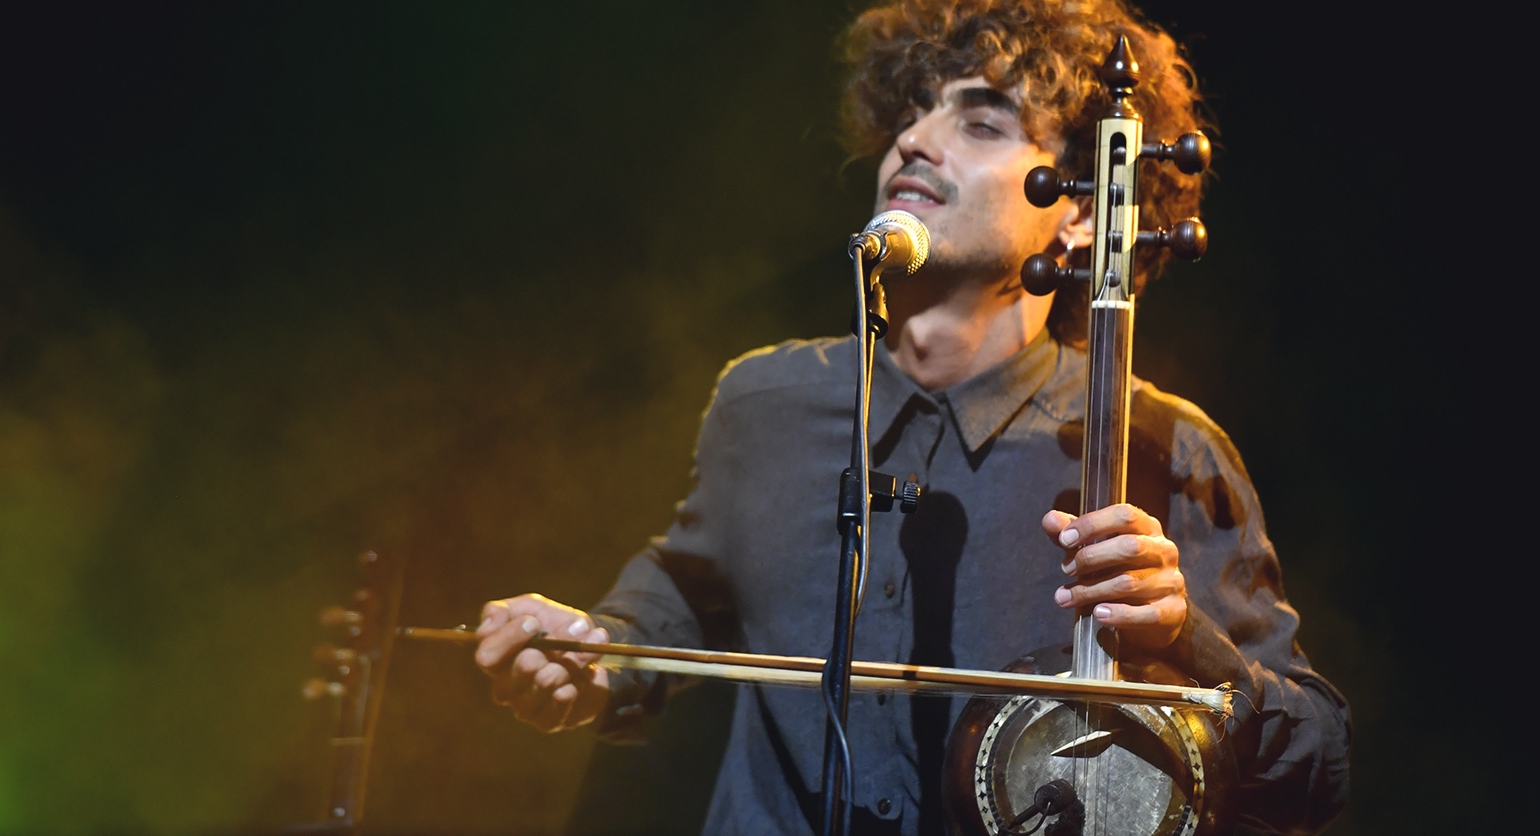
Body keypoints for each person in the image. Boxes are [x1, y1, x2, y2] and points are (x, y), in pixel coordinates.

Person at [474, 1, 1351, 833]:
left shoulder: (1165, 447)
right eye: (910, 113)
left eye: (981, 123)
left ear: (1081, 213)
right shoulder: (764, 402)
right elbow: (675, 597)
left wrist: (1189, 642)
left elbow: (1319, 766)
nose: (913, 140)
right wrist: (590, 655)